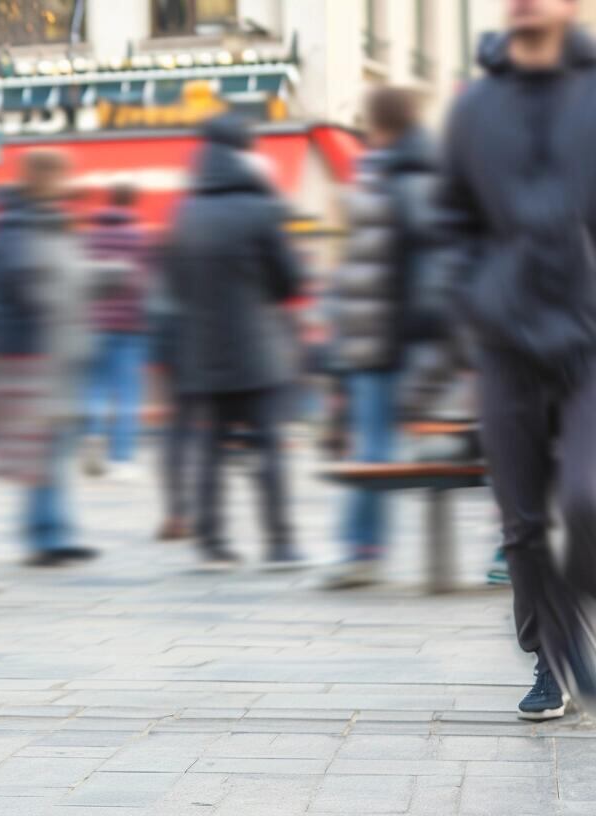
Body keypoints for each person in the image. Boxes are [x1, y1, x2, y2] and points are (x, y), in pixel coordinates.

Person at [438, 0, 596, 721]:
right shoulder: (475, 111)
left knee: (586, 499)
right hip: (505, 341)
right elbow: (451, 221)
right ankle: (550, 660)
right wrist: (474, 295)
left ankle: (572, 622)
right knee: (523, 524)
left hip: (590, 338)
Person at [163, 114, 305, 570]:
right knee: (267, 445)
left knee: (212, 446)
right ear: (246, 153)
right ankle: (280, 542)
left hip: (203, 349)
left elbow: (175, 282)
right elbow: (290, 280)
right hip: (254, 348)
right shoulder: (259, 207)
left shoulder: (186, 211)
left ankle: (211, 539)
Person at [322, 87, 440, 590]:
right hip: (376, 337)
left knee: (373, 449)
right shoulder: (386, 171)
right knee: (371, 447)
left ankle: (362, 551)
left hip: (391, 339)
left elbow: (426, 265)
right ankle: (362, 548)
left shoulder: (405, 178)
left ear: (378, 124)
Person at [0, 150, 100, 567]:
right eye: (60, 176)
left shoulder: (51, 219)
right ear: (41, 178)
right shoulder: (17, 222)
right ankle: (42, 534)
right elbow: (20, 280)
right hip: (33, 348)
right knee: (42, 446)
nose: (66, 183)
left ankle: (56, 529)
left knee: (58, 442)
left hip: (61, 346)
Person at [80, 182, 154, 480]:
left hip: (93, 322)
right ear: (133, 204)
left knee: (95, 387)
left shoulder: (89, 237)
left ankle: (92, 438)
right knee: (127, 393)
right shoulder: (139, 238)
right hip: (130, 324)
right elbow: (146, 281)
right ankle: (121, 459)